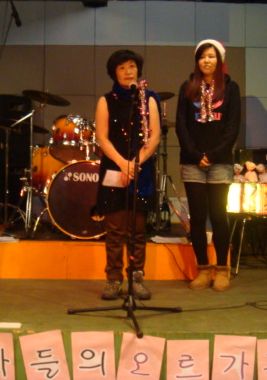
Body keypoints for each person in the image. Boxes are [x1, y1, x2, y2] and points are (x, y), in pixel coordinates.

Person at [95, 49, 161, 301]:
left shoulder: (149, 99)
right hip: (114, 166)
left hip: (141, 170)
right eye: (122, 67)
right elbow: (102, 138)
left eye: (131, 66)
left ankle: (137, 278)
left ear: (138, 70)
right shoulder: (106, 100)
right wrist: (123, 163)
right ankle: (113, 279)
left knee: (137, 230)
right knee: (114, 230)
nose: (127, 71)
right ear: (114, 72)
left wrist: (135, 163)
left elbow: (154, 137)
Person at [175, 39, 241, 291]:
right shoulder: (187, 87)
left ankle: (222, 269)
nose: (207, 60)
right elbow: (181, 125)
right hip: (192, 162)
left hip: (220, 162)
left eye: (211, 56)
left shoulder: (231, 88)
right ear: (197, 60)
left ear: (220, 60)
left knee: (219, 215)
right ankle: (202, 269)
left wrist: (212, 155)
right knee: (198, 218)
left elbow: (232, 127)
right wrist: (195, 154)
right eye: (202, 56)